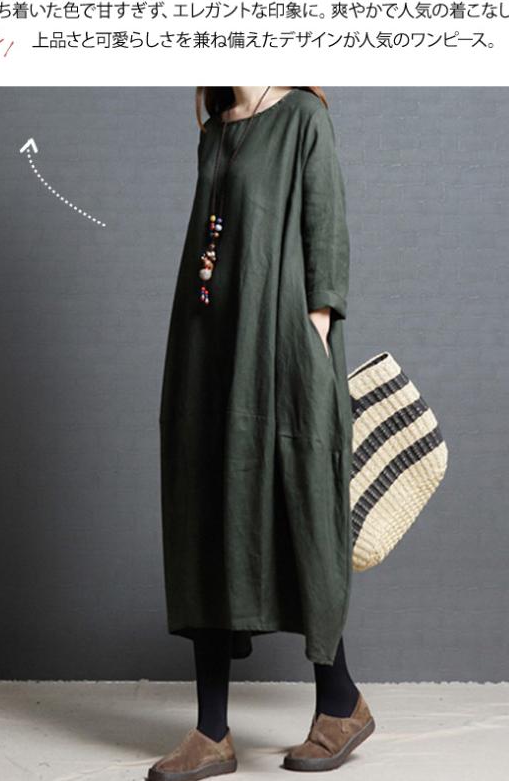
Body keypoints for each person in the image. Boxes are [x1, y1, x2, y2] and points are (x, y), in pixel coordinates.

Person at [150, 87, 375, 780]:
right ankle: (211, 730)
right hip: (208, 349)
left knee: (297, 512)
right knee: (206, 513)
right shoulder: (215, 130)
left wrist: (313, 333)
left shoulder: (303, 117)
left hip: (278, 349)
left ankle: (339, 702)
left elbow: (325, 229)